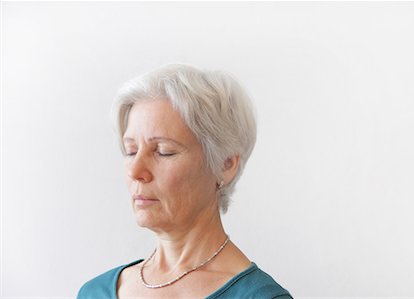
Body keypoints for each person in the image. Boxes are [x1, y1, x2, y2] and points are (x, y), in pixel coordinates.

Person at [77, 64, 292, 298]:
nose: (136, 171)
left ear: (226, 164)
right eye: (130, 151)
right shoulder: (94, 292)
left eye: (163, 151)